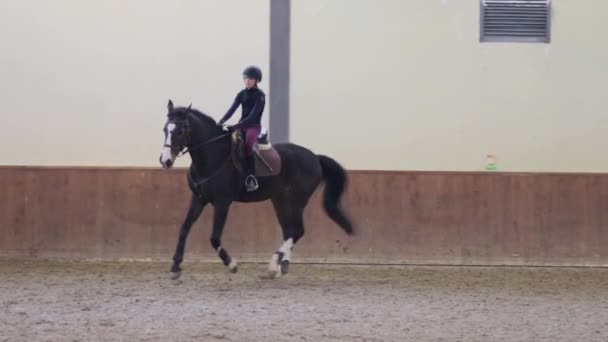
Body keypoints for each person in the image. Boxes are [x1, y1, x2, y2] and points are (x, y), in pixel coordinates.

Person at [218, 65, 266, 192]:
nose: (247, 81)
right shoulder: (241, 94)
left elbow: (253, 116)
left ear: (256, 80)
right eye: (245, 78)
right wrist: (221, 122)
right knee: (230, 142)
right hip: (241, 125)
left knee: (248, 145)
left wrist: (236, 126)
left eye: (250, 79)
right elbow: (231, 110)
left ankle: (251, 176)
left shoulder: (260, 96)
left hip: (253, 127)